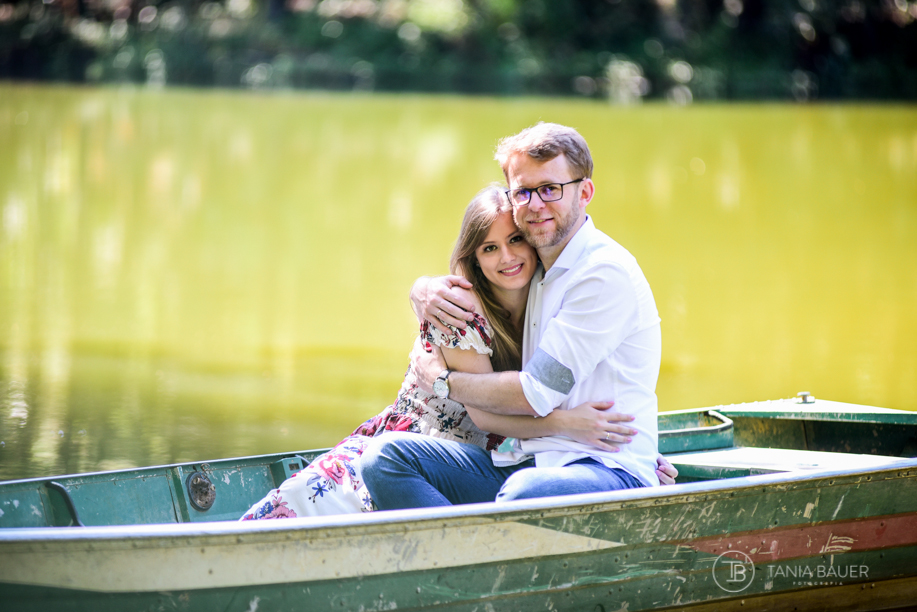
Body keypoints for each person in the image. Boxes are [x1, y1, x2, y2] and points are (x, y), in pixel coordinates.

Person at [240, 185, 675, 520]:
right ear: (475, 258)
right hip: (431, 441)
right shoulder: (459, 309)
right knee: (305, 514)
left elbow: (595, 379)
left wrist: (631, 453)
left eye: (515, 241)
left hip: (500, 454)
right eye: (489, 248)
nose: (507, 257)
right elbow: (488, 417)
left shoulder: (555, 294)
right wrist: (571, 427)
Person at [361, 122, 663, 509]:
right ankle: (464, 561)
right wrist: (422, 288)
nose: (536, 205)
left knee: (525, 495)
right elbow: (480, 263)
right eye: (523, 192)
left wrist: (441, 381)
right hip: (528, 459)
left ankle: (471, 559)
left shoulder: (603, 273)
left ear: (585, 192)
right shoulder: (538, 268)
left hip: (604, 467)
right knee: (386, 458)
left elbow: (534, 393)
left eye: (550, 189)